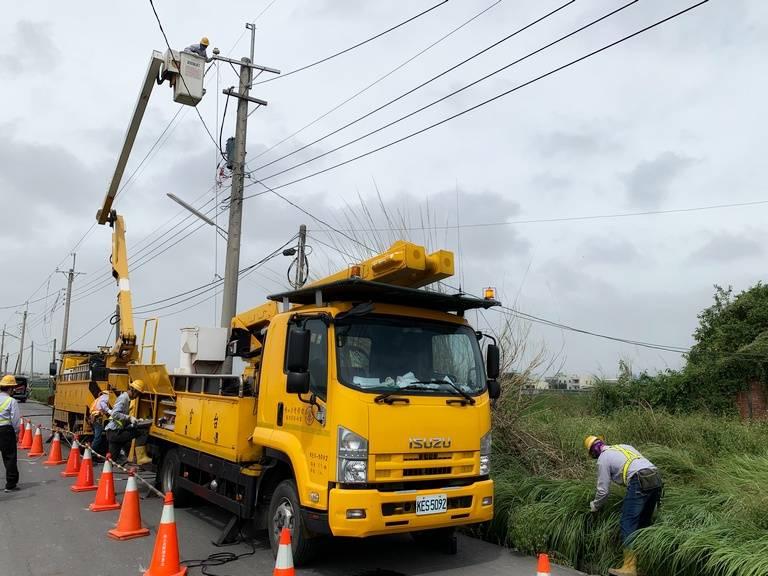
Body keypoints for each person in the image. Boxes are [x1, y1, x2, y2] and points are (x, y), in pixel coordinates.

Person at [585, 435, 663, 576]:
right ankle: (644, 563)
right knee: (644, 523)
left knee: (627, 522)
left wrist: (595, 506)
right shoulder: (624, 446)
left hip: (639, 480)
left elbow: (603, 491)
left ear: (592, 452)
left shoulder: (603, 459)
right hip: (656, 476)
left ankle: (629, 567)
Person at [105, 380, 151, 465]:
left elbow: (121, 418)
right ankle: (141, 457)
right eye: (138, 394)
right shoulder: (123, 398)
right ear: (133, 390)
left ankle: (105, 476)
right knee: (141, 432)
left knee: (111, 460)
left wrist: (135, 420)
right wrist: (129, 418)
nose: (138, 396)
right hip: (115, 433)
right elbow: (115, 414)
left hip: (113, 432)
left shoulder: (126, 399)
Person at [0, 375, 21, 492]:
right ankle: (11, 484)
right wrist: (17, 432)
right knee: (10, 457)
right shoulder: (11, 401)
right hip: (6, 431)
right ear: (10, 388)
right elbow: (15, 419)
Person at [89, 389, 111, 459]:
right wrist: (109, 410)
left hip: (94, 418)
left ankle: (92, 452)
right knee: (98, 437)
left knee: (97, 436)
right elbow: (102, 405)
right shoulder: (105, 397)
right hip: (97, 418)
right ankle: (91, 453)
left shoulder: (98, 399)